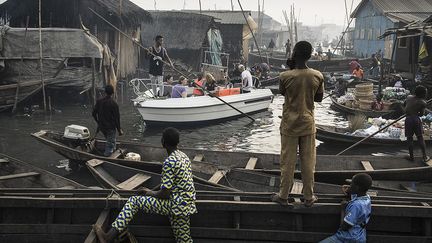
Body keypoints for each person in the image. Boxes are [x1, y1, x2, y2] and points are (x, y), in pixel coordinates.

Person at [93, 127, 197, 243]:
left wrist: (150, 193)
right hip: (187, 204)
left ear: (163, 142)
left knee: (134, 201)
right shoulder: (184, 157)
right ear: (177, 142)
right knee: (183, 240)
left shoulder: (170, 162)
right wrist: (150, 191)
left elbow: (165, 193)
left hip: (175, 205)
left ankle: (108, 237)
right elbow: (168, 185)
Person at [272, 41, 324, 207]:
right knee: (308, 162)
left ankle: (283, 196)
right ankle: (309, 197)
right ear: (310, 55)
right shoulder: (317, 76)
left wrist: (291, 69)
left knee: (287, 162)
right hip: (308, 124)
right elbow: (319, 98)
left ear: (294, 53)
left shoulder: (285, 76)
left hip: (289, 125)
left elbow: (282, 92)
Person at [319, 173, 372, 243]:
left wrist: (343, 209)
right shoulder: (367, 198)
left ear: (357, 187)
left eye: (351, 184)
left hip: (347, 238)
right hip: (360, 237)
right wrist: (350, 192)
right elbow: (357, 196)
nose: (350, 185)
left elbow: (344, 227)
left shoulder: (356, 205)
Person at [92, 85, 124, 157]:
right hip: (110, 128)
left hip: (102, 127)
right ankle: (107, 157)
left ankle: (113, 151)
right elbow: (117, 119)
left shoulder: (99, 101)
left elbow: (93, 114)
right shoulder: (114, 104)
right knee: (110, 144)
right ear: (113, 92)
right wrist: (119, 130)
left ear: (105, 92)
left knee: (111, 140)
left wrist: (98, 122)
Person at [404, 85, 431, 163]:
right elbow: (422, 114)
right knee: (420, 138)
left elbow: (405, 105)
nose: (426, 94)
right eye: (425, 93)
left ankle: (411, 157)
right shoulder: (422, 102)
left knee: (409, 138)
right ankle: (425, 156)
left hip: (408, 119)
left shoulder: (409, 97)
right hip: (415, 119)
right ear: (421, 94)